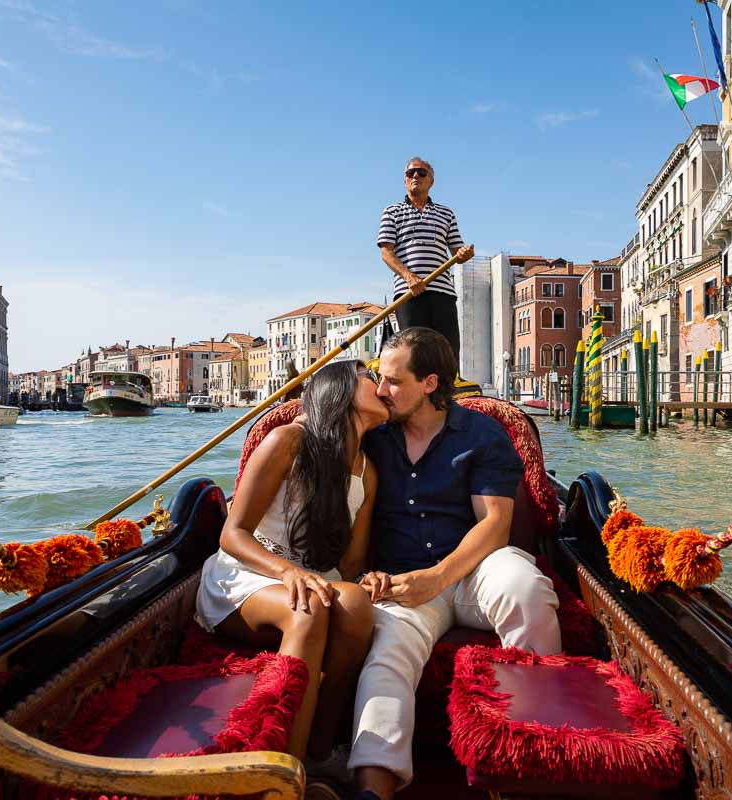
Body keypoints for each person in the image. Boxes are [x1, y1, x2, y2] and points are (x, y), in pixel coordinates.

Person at [348, 328, 561, 799]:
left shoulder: (482, 434)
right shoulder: (375, 434)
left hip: (473, 572)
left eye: (392, 381)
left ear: (429, 382)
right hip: (403, 579)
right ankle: (373, 785)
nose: (381, 391)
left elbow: (495, 526)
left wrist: (438, 578)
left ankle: (539, 756)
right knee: (388, 652)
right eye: (379, 380)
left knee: (524, 585)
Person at [195, 360, 387, 772]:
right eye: (370, 377)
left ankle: (319, 748)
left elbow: (349, 565)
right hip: (248, 576)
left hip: (313, 578)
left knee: (355, 607)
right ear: (340, 390)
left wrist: (367, 580)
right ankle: (283, 770)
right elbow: (234, 533)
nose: (380, 384)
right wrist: (287, 571)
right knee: (309, 606)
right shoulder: (288, 441)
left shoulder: (367, 473)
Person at [377, 157, 475, 365]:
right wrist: (408, 276)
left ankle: (448, 395)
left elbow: (457, 250)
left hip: (443, 293)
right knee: (413, 352)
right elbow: (386, 252)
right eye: (410, 173)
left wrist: (464, 254)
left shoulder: (446, 213)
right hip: (408, 294)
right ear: (404, 180)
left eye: (421, 173)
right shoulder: (392, 211)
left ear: (431, 181)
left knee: (447, 351)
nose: (415, 176)